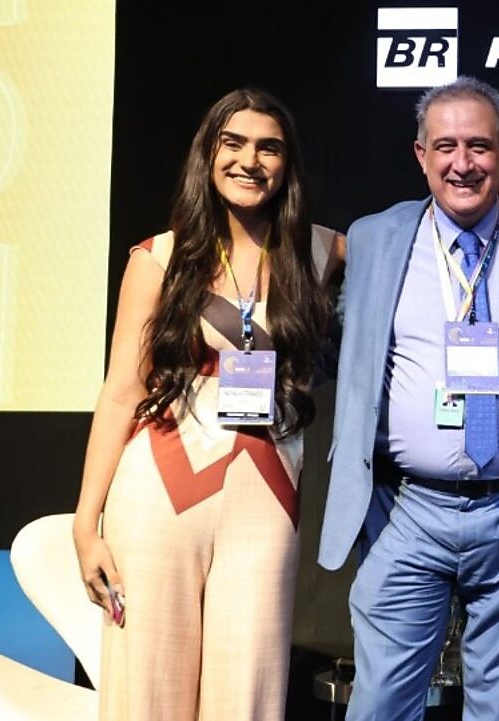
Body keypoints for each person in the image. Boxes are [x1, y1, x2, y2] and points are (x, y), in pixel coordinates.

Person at [317, 75, 499, 721]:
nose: (463, 163)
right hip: (407, 512)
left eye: (479, 147)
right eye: (445, 147)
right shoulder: (376, 236)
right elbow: (287, 229)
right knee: (380, 703)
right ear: (420, 155)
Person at [71, 87, 340, 720]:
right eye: (234, 143)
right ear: (208, 154)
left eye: (268, 147)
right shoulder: (159, 258)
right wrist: (87, 523)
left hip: (266, 501)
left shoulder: (323, 252)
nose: (251, 161)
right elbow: (119, 394)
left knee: (248, 693)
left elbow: (423, 234)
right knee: (148, 693)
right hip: (159, 494)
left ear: (287, 162)